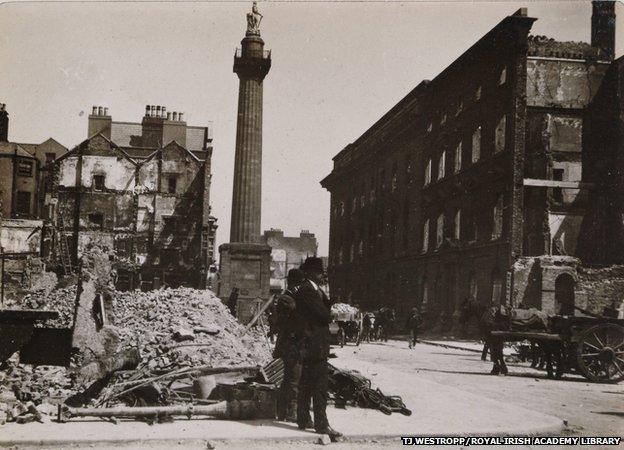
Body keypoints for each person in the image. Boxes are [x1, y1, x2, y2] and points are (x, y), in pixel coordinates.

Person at [293, 257, 342, 442]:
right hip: (315, 344)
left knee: (306, 383)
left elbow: (319, 309)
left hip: (310, 344)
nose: (322, 275)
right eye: (320, 272)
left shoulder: (312, 289)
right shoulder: (308, 290)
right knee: (320, 386)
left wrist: (329, 303)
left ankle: (303, 419)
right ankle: (322, 425)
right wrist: (333, 313)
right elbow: (321, 314)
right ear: (312, 273)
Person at [273, 269, 306, 422]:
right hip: (290, 346)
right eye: (300, 283)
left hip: (290, 345)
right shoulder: (286, 298)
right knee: (293, 380)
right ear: (295, 283)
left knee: (288, 380)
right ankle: (290, 412)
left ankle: (282, 412)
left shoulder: (290, 297)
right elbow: (297, 313)